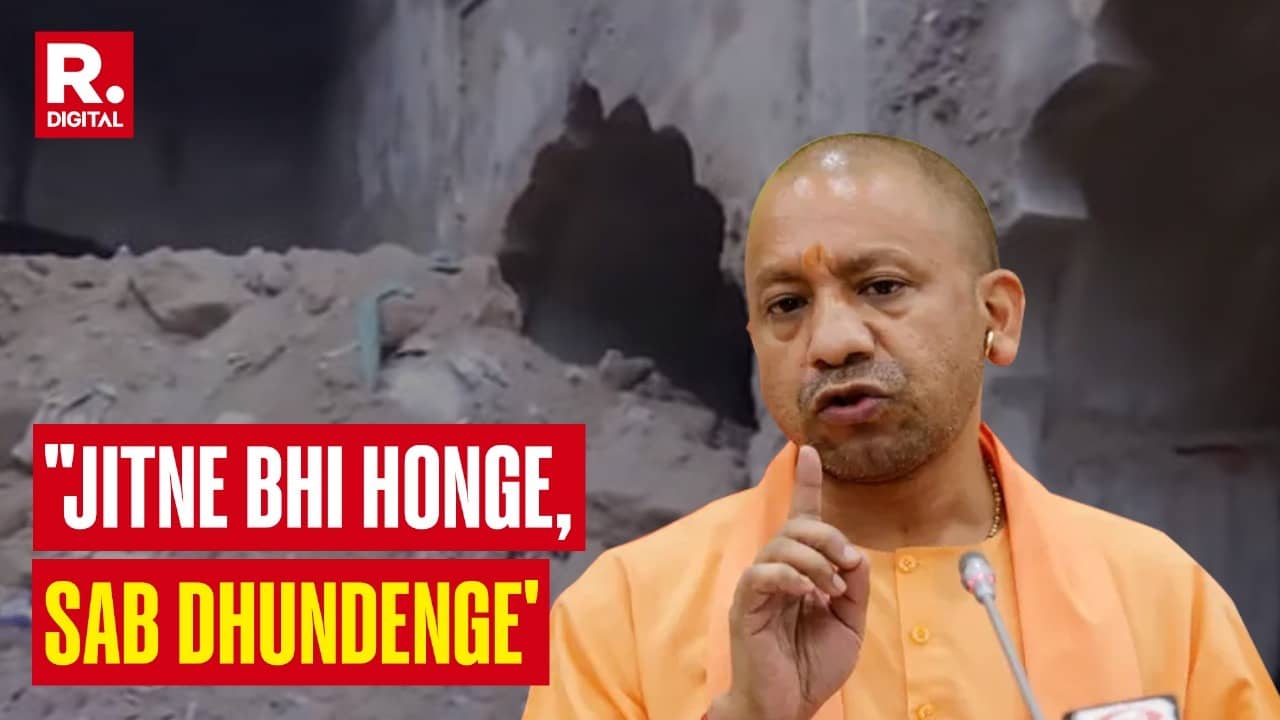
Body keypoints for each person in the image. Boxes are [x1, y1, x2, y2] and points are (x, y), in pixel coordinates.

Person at [521, 133, 1280, 719]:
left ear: (997, 316)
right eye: (788, 305)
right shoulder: (625, 614)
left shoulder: (1160, 598)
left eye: (881, 287)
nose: (832, 342)